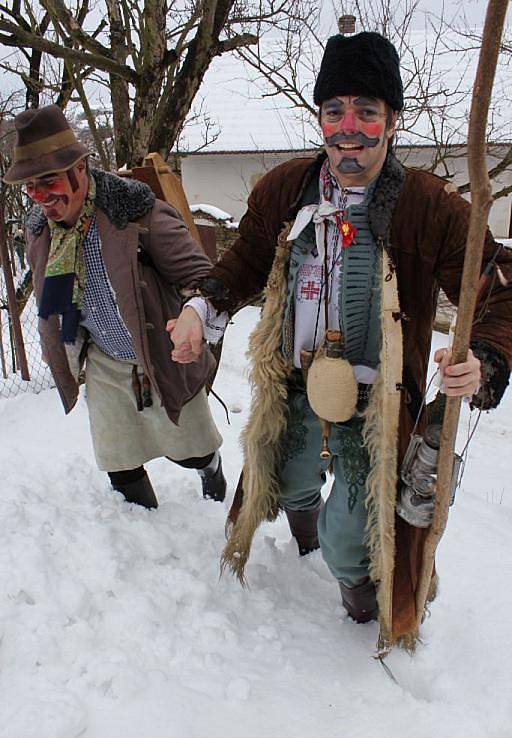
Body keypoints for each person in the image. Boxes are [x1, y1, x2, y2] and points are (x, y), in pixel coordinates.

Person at [170, 32, 512, 645]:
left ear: (392, 121)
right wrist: (202, 308)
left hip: (377, 407)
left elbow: (500, 288)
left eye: (367, 112)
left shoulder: (428, 206)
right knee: (287, 482)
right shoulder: (285, 190)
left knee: (352, 540)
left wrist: (482, 361)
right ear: (320, 118)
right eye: (334, 111)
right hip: (295, 388)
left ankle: (359, 616)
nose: (348, 128)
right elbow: (243, 262)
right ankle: (302, 544)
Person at [4, 104, 226, 509]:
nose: (40, 198)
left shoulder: (136, 213)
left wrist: (195, 315)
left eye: (49, 182)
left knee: (191, 449)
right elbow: (51, 306)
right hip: (105, 361)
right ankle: (143, 538)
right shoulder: (43, 234)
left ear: (80, 169)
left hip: (161, 353)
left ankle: (211, 472)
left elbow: (202, 274)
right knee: (119, 462)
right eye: (31, 187)